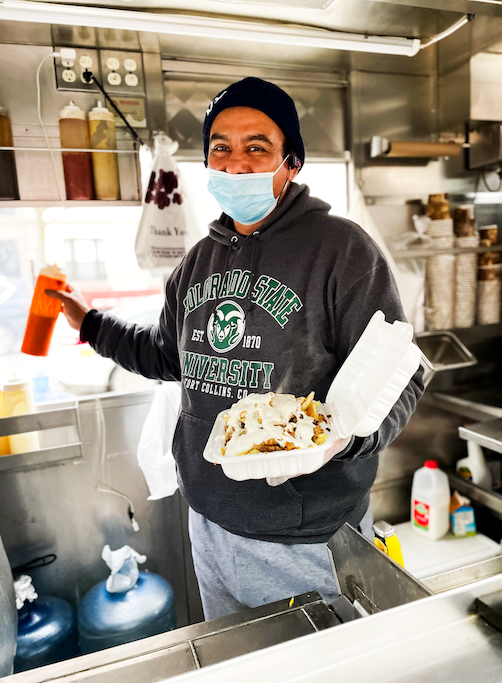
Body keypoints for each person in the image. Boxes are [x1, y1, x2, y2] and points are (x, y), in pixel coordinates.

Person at [49, 77, 423, 622]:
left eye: (257, 148)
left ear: (290, 162)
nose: (237, 164)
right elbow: (163, 356)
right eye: (220, 148)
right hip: (207, 521)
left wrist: (342, 441)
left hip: (302, 537)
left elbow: (400, 378)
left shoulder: (342, 252)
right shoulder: (196, 262)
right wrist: (89, 323)